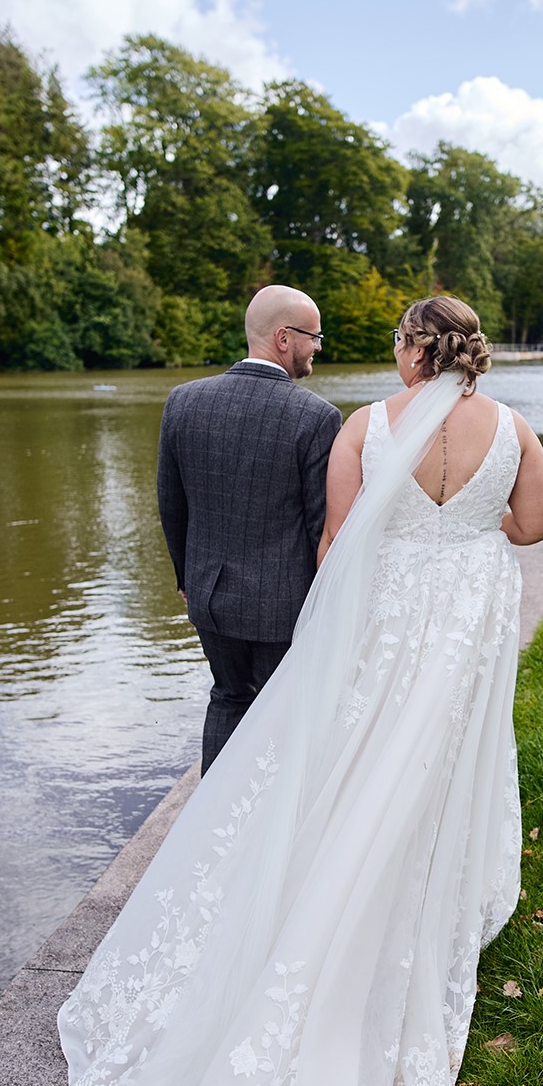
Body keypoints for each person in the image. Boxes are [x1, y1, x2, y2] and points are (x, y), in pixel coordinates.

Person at [0, 295, 543, 1086]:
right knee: (429, 777)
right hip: (462, 624)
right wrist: (466, 535)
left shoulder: (359, 426)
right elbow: (534, 531)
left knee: (344, 773)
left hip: (392, 615)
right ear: (475, 352)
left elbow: (339, 546)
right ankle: (410, 894)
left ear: (406, 349)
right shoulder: (519, 428)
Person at [157, 284, 341, 772]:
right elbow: (319, 524)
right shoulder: (317, 417)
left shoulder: (183, 401)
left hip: (210, 596)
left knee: (227, 697)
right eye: (314, 338)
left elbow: (171, 506)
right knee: (284, 712)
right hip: (285, 605)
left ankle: (212, 827)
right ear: (284, 338)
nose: (318, 348)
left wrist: (185, 579)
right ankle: (271, 832)